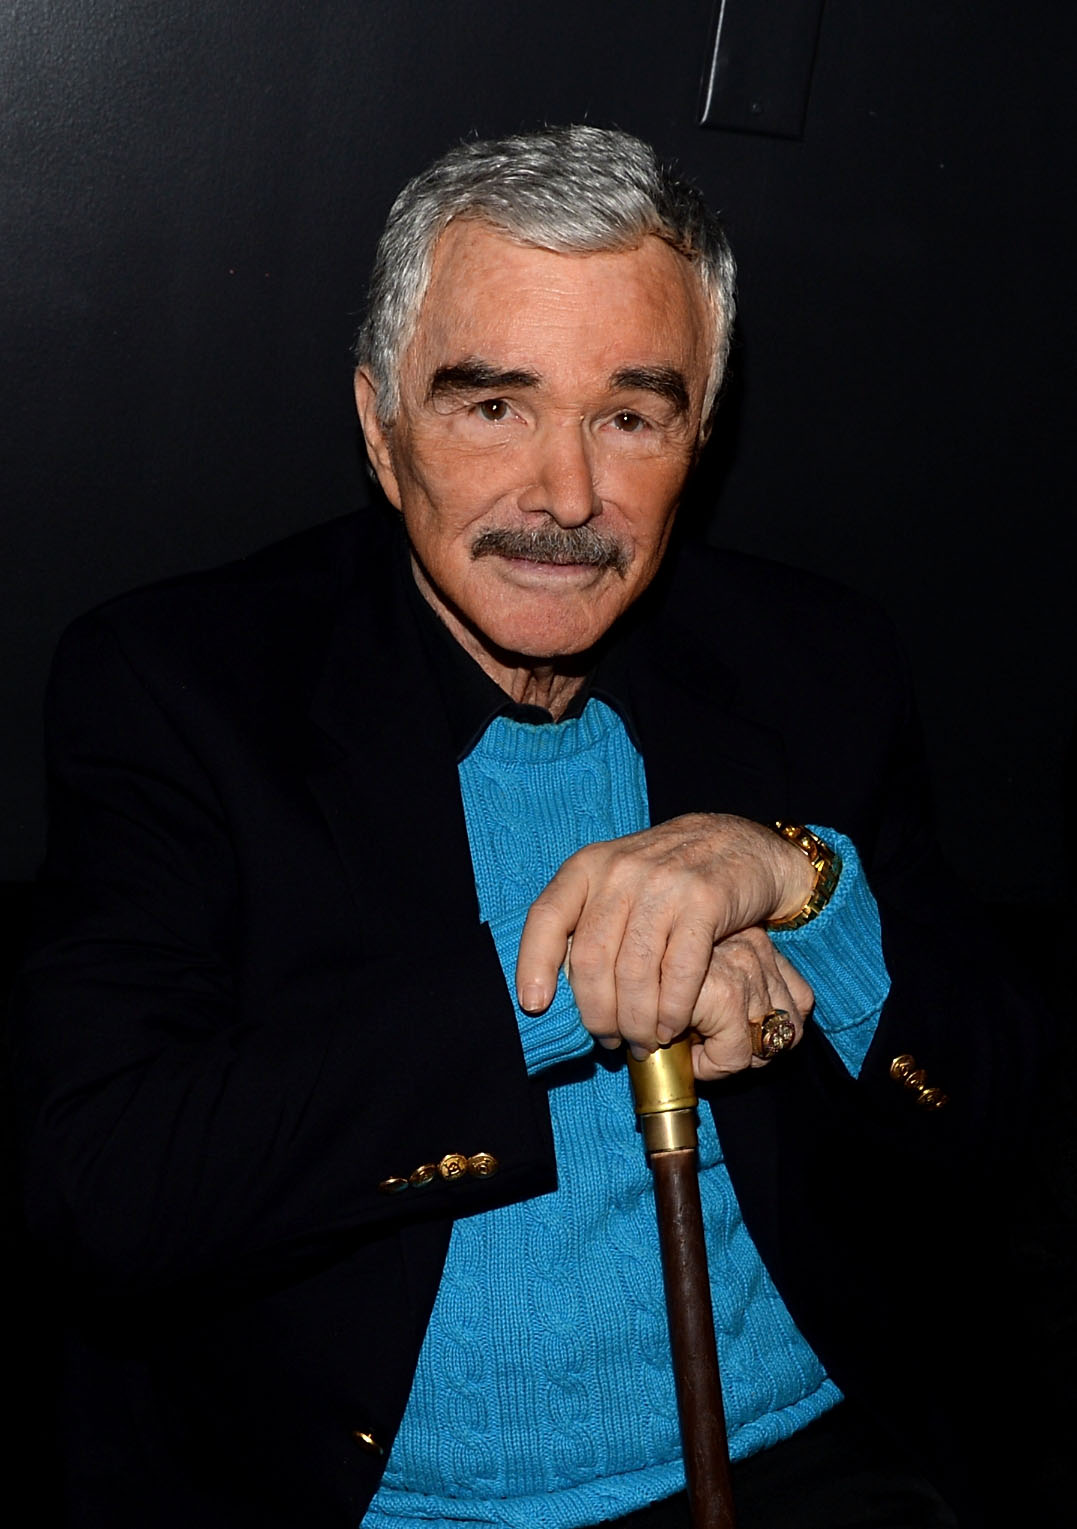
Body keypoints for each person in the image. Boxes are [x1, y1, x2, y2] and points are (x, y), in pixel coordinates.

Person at [13, 127, 1035, 1529]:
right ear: (379, 429)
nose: (564, 495)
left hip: (805, 1462)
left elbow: (997, 1117)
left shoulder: (814, 661)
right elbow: (103, 1191)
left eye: (631, 415)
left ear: (700, 437)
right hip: (392, 1503)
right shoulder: (184, 687)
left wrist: (793, 875)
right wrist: (565, 989)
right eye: (491, 406)